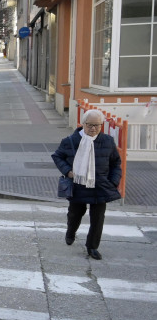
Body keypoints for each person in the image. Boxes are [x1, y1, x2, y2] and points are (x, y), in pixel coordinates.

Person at [51, 109, 122, 260]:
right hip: (78, 186)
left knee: (98, 219)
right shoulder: (70, 140)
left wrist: (114, 181)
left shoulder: (108, 141)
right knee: (75, 214)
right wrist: (68, 171)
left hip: (100, 186)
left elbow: (116, 163)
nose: (93, 129)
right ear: (83, 123)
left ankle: (92, 247)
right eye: (90, 125)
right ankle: (70, 232)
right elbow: (57, 156)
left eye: (97, 125)